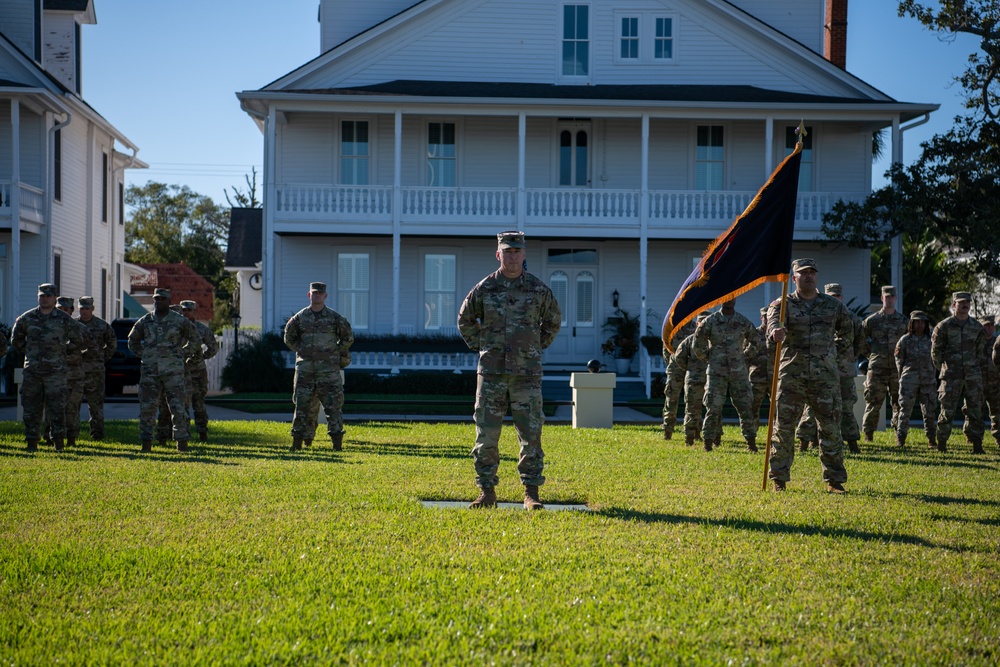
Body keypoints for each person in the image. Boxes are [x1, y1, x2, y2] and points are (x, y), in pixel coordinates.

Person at [458, 231, 561, 510]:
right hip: (491, 374)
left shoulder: (539, 290)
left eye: (517, 251)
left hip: (526, 374)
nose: (512, 256)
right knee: (486, 434)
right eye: (507, 251)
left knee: (531, 433)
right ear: (498, 254)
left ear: (524, 254)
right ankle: (486, 492)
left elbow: (553, 321)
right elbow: (465, 319)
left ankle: (531, 493)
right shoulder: (484, 289)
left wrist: (534, 348)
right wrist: (483, 346)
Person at [767, 259, 853, 493]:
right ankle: (779, 479)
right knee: (783, 428)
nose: (808, 276)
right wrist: (775, 333)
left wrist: (834, 354)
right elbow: (771, 328)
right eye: (803, 273)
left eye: (812, 273)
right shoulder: (782, 304)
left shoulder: (832, 306)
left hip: (824, 377)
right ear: (793, 278)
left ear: (817, 277)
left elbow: (848, 330)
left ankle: (834, 481)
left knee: (830, 428)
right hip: (792, 376)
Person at [10, 283, 88, 451]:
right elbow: (16, 340)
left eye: (47, 296)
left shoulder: (64, 319)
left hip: (55, 372)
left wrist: (62, 351)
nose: (44, 299)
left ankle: (58, 442)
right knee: (31, 408)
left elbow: (80, 339)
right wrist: (31, 352)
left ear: (54, 298)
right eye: (41, 296)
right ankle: (32, 442)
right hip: (33, 371)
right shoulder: (27, 318)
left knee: (57, 408)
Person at [128, 288, 201, 452]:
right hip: (150, 372)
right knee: (147, 408)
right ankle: (146, 443)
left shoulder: (179, 321)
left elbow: (195, 339)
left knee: (178, 407)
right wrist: (145, 355)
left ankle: (181, 443)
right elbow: (132, 341)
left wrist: (182, 354)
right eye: (156, 298)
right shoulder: (145, 321)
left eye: (162, 299)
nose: (159, 301)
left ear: (169, 301)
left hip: (173, 372)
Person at [284, 282, 354, 452]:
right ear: (309, 295)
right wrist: (302, 351)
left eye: (320, 294)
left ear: (325, 296)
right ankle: (297, 443)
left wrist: (335, 352)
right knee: (301, 407)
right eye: (314, 293)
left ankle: (337, 444)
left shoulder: (335, 318)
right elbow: (288, 338)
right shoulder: (300, 318)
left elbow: (348, 337)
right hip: (305, 370)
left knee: (333, 408)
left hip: (328, 372)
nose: (317, 296)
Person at [794, 283, 864, 454]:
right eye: (830, 295)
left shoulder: (852, 318)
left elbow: (859, 342)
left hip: (844, 370)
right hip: (820, 369)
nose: (834, 299)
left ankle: (852, 443)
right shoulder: (817, 316)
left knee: (846, 407)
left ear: (841, 298)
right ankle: (806, 441)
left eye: (837, 296)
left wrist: (848, 357)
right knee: (812, 406)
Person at [693, 299, 759, 452]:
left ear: (736, 299)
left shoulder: (743, 321)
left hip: (739, 373)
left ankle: (751, 442)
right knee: (713, 407)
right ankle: (708, 442)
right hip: (717, 372)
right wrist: (709, 357)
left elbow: (755, 341)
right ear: (721, 300)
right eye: (726, 298)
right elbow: (698, 342)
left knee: (745, 407)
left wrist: (744, 357)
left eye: (732, 298)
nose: (729, 301)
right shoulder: (711, 321)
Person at [931, 292, 987, 453]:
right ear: (954, 304)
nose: (965, 305)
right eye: (961, 302)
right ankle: (941, 444)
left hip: (972, 376)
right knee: (947, 410)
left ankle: (977, 445)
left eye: (968, 302)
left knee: (975, 411)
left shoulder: (977, 327)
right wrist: (944, 369)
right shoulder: (943, 326)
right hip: (951, 376)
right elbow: (936, 352)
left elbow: (980, 351)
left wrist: (973, 366)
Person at [859, 286, 908, 440]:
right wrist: (871, 355)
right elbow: (860, 339)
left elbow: (909, 342)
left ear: (896, 299)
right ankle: (868, 435)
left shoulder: (904, 322)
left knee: (898, 403)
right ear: (882, 299)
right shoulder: (872, 321)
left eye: (892, 297)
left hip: (896, 369)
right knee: (873, 402)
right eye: (887, 297)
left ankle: (899, 435)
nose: (890, 299)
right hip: (877, 369)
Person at [53, 296, 93, 447]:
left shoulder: (77, 326)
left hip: (74, 376)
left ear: (71, 311)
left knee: (72, 410)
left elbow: (89, 342)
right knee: (53, 409)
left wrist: (70, 348)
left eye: (66, 309)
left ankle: (71, 439)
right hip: (53, 375)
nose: (62, 311)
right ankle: (52, 437)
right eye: (60, 309)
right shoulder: (49, 325)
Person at [178, 300, 219, 442]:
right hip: (180, 372)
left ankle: (202, 433)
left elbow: (213, 347)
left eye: (189, 310)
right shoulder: (176, 328)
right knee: (183, 405)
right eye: (184, 310)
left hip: (198, 372)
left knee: (199, 404)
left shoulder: (202, 329)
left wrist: (202, 357)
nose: (186, 312)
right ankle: (184, 435)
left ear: (194, 311)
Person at [894, 311, 937, 448]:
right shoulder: (905, 340)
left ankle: (931, 439)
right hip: (909, 380)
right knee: (905, 411)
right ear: (912, 323)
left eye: (923, 322)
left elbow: (937, 358)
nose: (920, 325)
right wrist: (901, 376)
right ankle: (901, 439)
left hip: (928, 380)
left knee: (929, 411)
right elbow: (898, 359)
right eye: (917, 322)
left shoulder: (931, 340)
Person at [77, 296, 116, 440]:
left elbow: (112, 344)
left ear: (92, 309)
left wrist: (101, 358)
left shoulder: (102, 325)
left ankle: (97, 434)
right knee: (72, 405)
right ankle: (71, 434)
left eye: (87, 308)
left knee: (96, 405)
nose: (84, 311)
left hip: (95, 371)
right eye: (82, 308)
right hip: (76, 371)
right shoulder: (72, 325)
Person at [674, 315, 709, 447]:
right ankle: (689, 437)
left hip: (711, 379)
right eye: (701, 322)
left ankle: (712, 437)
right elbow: (679, 357)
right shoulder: (690, 340)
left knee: (713, 409)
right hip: (693, 380)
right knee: (692, 409)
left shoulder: (714, 340)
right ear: (697, 323)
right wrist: (690, 368)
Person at [661, 320, 696, 440]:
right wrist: (672, 363)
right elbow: (666, 349)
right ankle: (668, 430)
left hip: (692, 369)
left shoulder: (696, 327)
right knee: (671, 399)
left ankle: (693, 430)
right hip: (675, 369)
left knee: (693, 400)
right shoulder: (671, 328)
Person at [970, 315, 998, 447]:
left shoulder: (997, 343)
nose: (989, 327)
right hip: (977, 384)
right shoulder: (974, 344)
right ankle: (974, 439)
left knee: (997, 414)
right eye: (986, 325)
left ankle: (998, 439)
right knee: (975, 414)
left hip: (995, 385)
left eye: (991, 325)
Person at [748, 307, 774, 430]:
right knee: (752, 407)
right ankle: (752, 434)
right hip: (757, 377)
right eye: (765, 316)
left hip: (775, 378)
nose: (767, 319)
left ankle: (775, 434)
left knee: (777, 408)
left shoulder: (778, 334)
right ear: (761, 318)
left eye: (769, 316)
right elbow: (746, 355)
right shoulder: (754, 334)